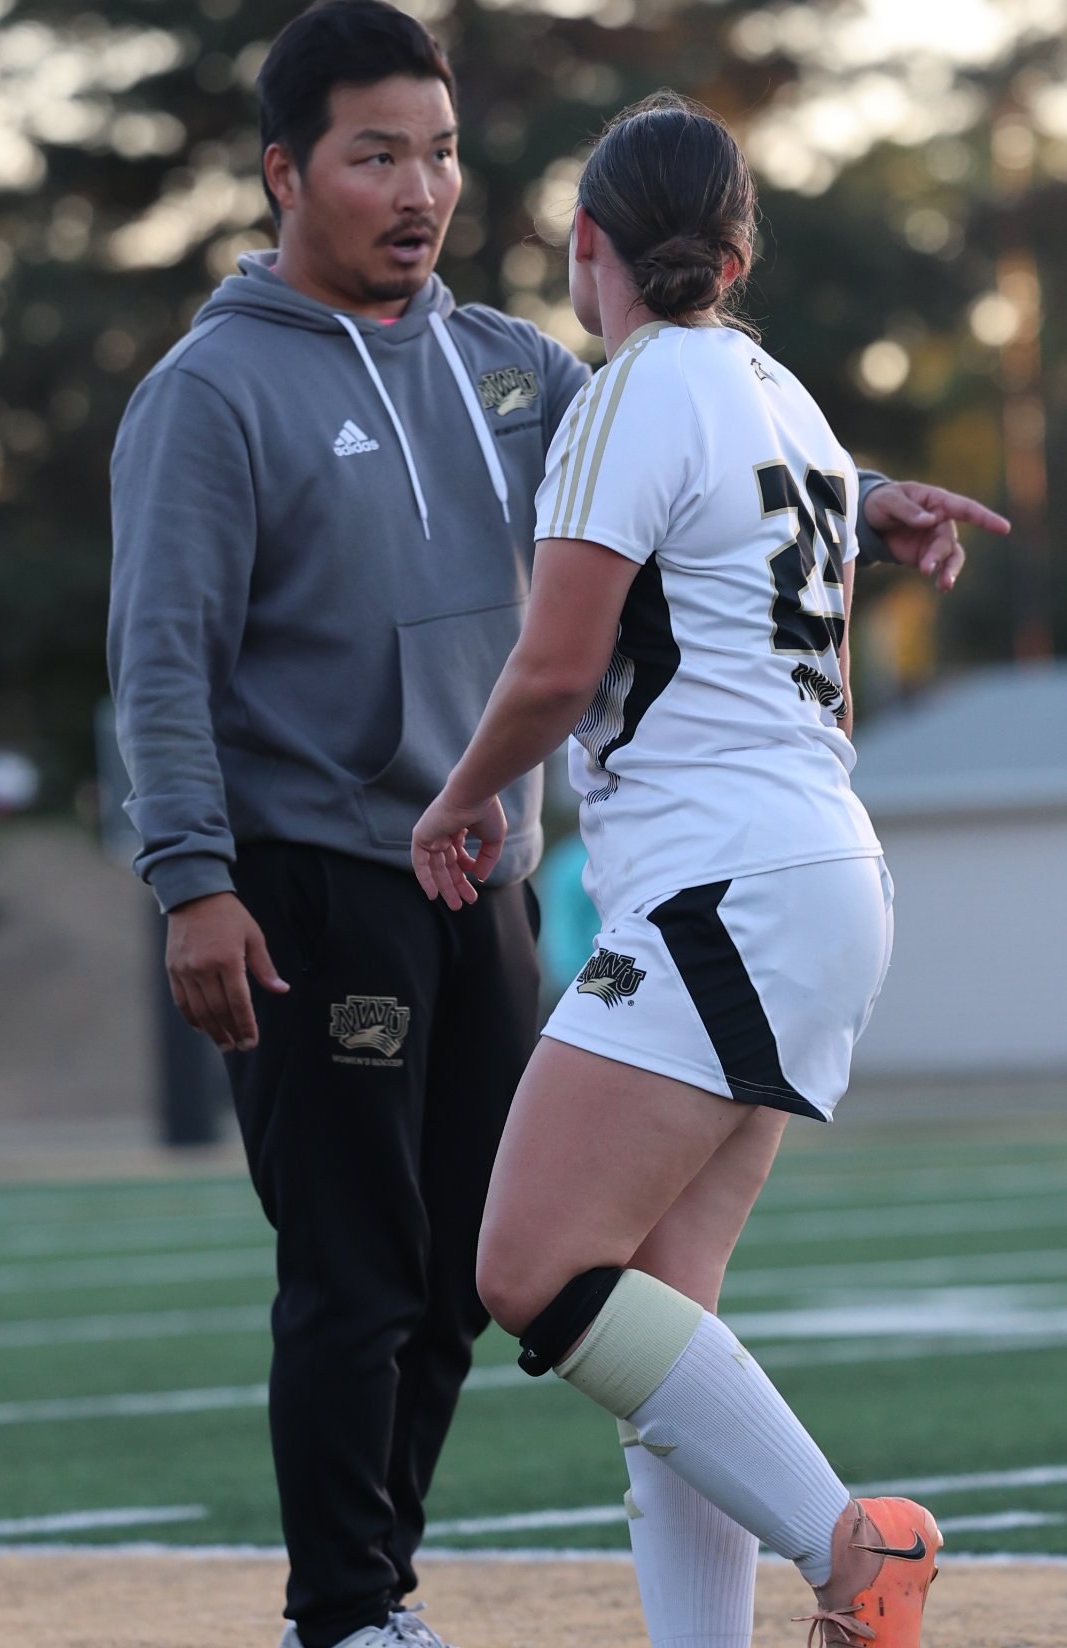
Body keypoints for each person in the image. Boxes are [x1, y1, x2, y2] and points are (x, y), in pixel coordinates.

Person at [108, 0, 1006, 1648]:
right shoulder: (208, 391)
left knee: (495, 1280)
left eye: (439, 153)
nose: (418, 188)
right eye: (375, 153)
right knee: (367, 1269)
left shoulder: (518, 367)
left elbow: (712, 470)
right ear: (281, 173)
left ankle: (497, 1600)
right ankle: (350, 1611)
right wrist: (190, 877)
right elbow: (159, 659)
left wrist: (857, 505)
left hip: (491, 879)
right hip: (320, 871)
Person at [412, 94, 954, 1648]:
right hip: (810, 863)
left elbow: (551, 668)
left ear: (591, 249)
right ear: (735, 249)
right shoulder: (785, 395)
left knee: (528, 1268)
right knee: (662, 1324)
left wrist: (458, 801)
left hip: (723, 877)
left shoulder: (634, 390)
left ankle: (852, 1548)